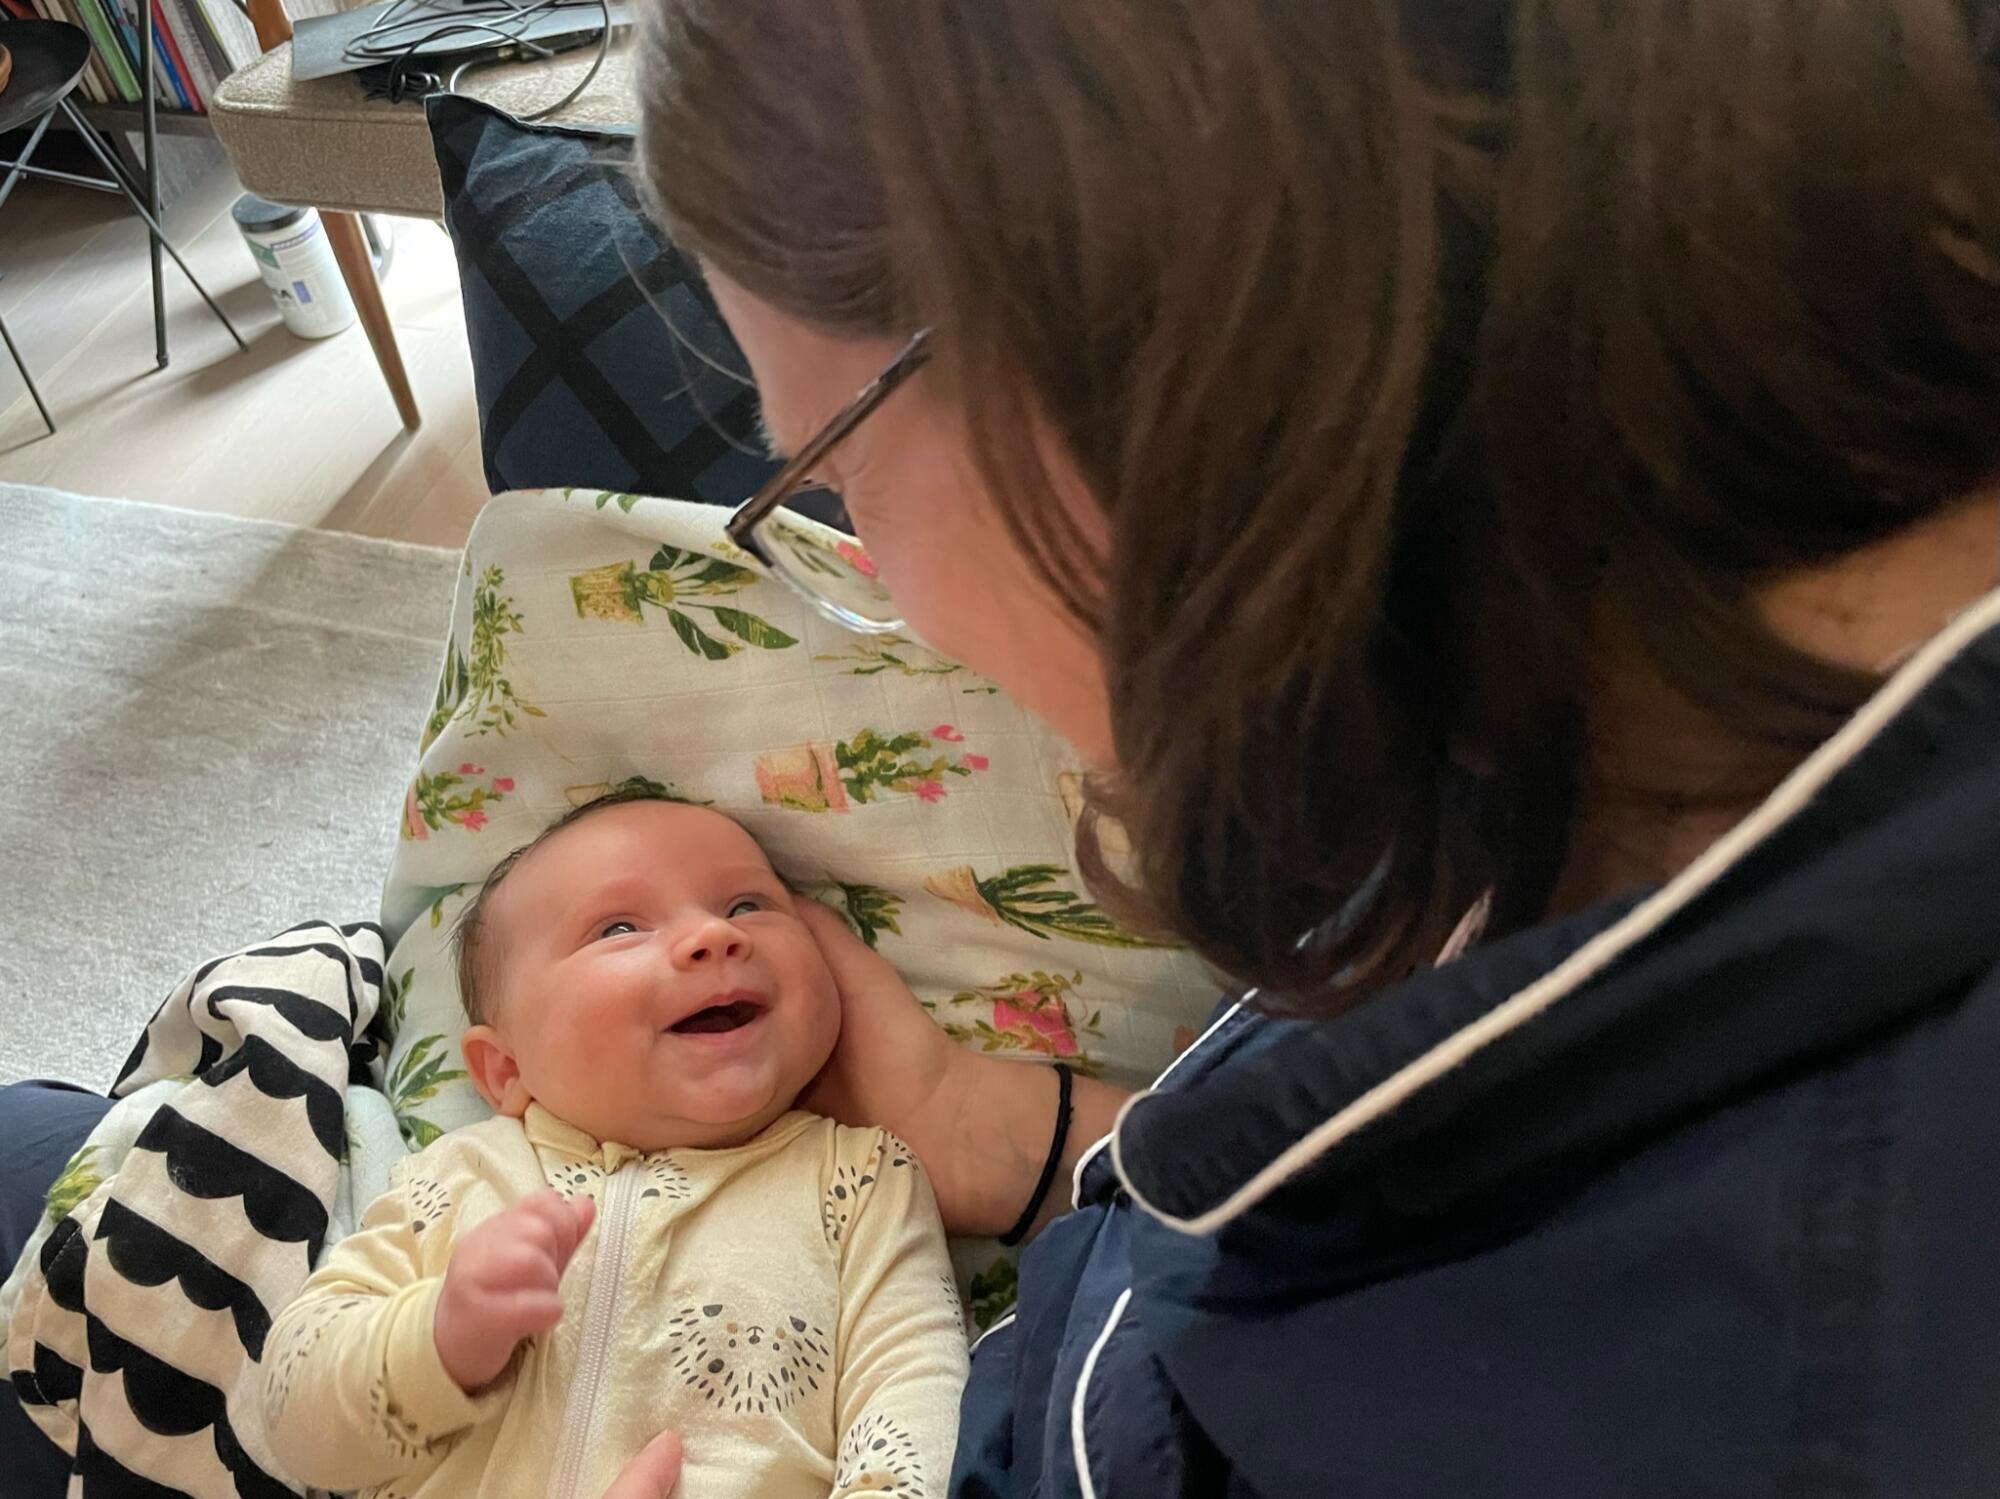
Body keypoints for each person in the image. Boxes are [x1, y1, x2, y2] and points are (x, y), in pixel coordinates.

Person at [9, 0, 2000, 1492]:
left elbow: (915, 1405)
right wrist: (1013, 1138)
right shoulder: (1535, 762)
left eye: (830, 468)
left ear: (1130, 368)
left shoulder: (1753, 1339)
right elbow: (311, 1387)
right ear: (504, 1056)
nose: (866, 583)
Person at [260, 793, 966, 1499]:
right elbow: (291, 1413)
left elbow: (914, 1400)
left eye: (747, 905)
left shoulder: (861, 1181)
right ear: (505, 1069)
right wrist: (439, 1338)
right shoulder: (456, 1177)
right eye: (619, 926)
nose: (713, 936)